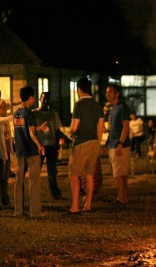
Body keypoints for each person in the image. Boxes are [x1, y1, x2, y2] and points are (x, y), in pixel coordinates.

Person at [68, 78, 104, 213]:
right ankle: (88, 204)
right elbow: (100, 127)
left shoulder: (79, 105)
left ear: (79, 90)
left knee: (74, 174)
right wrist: (98, 143)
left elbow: (74, 127)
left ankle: (75, 206)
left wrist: (70, 131)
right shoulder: (97, 105)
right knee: (90, 175)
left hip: (81, 143)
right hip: (94, 143)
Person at [13, 86, 47, 217]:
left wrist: (38, 128)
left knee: (18, 182)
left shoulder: (16, 113)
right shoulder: (29, 113)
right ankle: (34, 211)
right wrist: (39, 145)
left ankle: (18, 210)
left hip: (20, 152)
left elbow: (25, 129)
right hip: (32, 152)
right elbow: (31, 133)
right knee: (33, 182)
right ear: (31, 98)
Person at [33, 92, 68, 200]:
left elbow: (57, 130)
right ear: (40, 99)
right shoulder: (34, 114)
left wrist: (58, 142)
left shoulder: (53, 114)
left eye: (48, 99)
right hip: (39, 145)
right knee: (35, 171)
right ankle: (34, 194)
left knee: (52, 172)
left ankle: (56, 194)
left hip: (51, 146)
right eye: (44, 99)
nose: (46, 101)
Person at [106, 84, 130, 205]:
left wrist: (120, 143)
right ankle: (123, 197)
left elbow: (126, 126)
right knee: (121, 172)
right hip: (113, 143)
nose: (107, 94)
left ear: (117, 94)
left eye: (110, 92)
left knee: (119, 173)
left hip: (119, 144)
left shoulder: (122, 107)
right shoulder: (113, 107)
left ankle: (121, 198)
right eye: (106, 92)